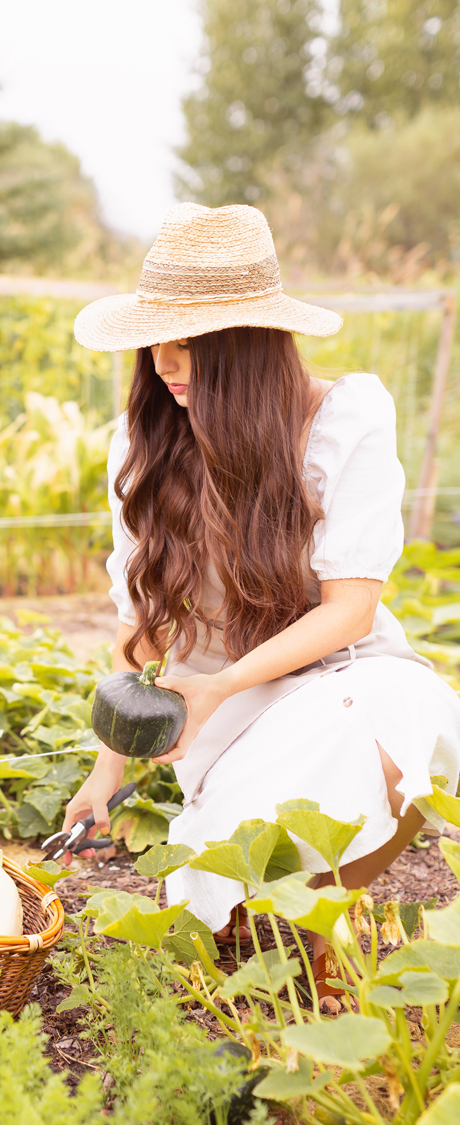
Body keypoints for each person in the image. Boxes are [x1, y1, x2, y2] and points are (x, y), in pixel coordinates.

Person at [64, 202, 460, 1013]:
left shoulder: (339, 421)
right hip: (226, 711)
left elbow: (350, 611)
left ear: (245, 344)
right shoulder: (143, 442)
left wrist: (224, 683)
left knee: (408, 710)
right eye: (157, 340)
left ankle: (316, 926)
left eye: (190, 343)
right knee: (221, 887)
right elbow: (141, 625)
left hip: (335, 673)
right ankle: (254, 912)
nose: (166, 364)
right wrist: (107, 769)